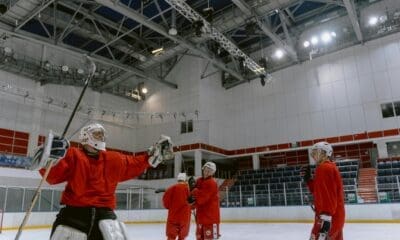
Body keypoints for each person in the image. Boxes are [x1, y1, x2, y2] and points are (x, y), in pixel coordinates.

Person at [30, 123, 173, 240]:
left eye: (102, 135)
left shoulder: (113, 159)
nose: (101, 137)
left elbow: (134, 163)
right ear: (85, 137)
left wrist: (153, 154)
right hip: (75, 215)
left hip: (104, 217)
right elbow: (53, 176)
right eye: (97, 134)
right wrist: (50, 159)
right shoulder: (74, 155)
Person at [302, 141, 345, 240]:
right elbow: (322, 191)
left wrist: (325, 220)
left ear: (326, 153)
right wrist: (309, 181)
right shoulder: (329, 167)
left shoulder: (324, 168)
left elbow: (327, 196)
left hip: (328, 219)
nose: (314, 155)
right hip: (336, 217)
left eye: (317, 152)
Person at [188, 161, 220, 240]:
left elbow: (202, 199)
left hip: (210, 219)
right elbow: (196, 197)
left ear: (213, 172)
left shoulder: (212, 183)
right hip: (201, 218)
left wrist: (193, 190)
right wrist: (191, 201)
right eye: (206, 169)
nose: (207, 171)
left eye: (209, 170)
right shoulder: (199, 181)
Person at [162, 172, 191, 240]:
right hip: (185, 217)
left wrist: (169, 207)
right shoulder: (188, 189)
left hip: (173, 215)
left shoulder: (171, 188)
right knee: (182, 237)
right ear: (185, 180)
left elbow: (166, 201)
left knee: (171, 236)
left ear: (178, 179)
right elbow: (192, 202)